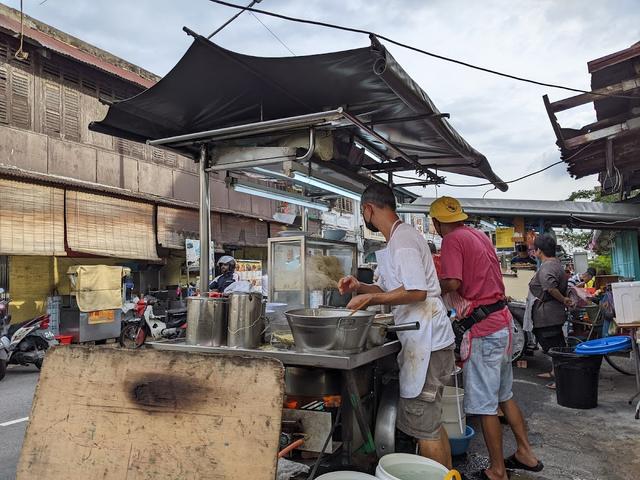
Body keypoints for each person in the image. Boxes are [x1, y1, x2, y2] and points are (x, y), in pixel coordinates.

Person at [338, 183, 455, 468]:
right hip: (423, 339)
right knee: (430, 424)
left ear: (368, 209)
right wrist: (361, 286)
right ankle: (448, 475)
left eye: (363, 211)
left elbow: (416, 291)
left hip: (428, 340)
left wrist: (371, 298)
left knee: (425, 428)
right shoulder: (396, 240)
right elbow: (391, 286)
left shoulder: (403, 241)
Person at [430, 196, 542, 480]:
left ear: (435, 222)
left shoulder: (452, 240)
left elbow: (454, 282)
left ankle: (497, 470)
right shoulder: (479, 235)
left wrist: (428, 287)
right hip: (502, 323)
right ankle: (525, 453)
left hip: (483, 330)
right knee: (505, 395)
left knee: (484, 405)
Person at [529, 234, 573, 388]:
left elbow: (549, 287)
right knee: (556, 343)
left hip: (549, 314)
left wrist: (563, 299)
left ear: (539, 250)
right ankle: (556, 372)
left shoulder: (548, 266)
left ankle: (562, 379)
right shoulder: (555, 264)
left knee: (553, 346)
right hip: (552, 313)